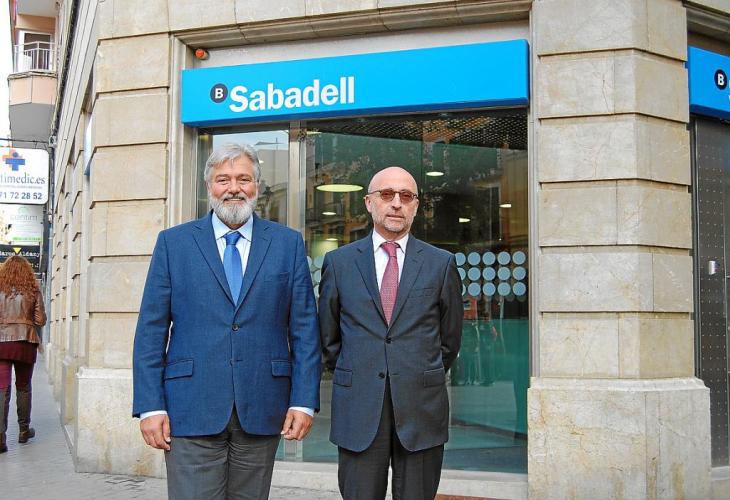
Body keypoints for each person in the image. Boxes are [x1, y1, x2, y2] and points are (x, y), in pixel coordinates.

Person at [132, 143, 321, 500]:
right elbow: (151, 330)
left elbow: (305, 331)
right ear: (209, 187)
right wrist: (150, 405)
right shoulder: (174, 243)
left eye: (243, 179)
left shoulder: (288, 244)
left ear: (257, 186)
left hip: (263, 406)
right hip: (189, 408)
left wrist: (303, 401)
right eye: (223, 179)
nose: (234, 188)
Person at [319, 166, 463, 500]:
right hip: (359, 409)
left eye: (406, 196)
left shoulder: (441, 264)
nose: (397, 203)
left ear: (416, 206)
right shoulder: (339, 263)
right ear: (369, 203)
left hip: (421, 409)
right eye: (387, 194)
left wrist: (417, 370)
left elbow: (449, 340)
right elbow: (328, 338)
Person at [0, 255, 46, 453]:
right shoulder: (33, 288)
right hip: (25, 342)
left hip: (1, 342)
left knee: (2, 388)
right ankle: (23, 431)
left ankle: (0, 438)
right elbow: (40, 320)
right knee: (23, 386)